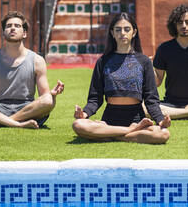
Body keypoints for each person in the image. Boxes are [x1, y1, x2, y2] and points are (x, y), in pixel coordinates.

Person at [72, 13, 171, 144]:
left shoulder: (144, 61)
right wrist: (84, 114)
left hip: (136, 118)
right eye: (118, 30)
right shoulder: (103, 61)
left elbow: (151, 99)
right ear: (112, 33)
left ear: (134, 32)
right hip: (110, 120)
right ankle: (129, 132)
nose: (122, 33)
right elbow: (95, 99)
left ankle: (111, 135)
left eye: (127, 29)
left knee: (163, 134)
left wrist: (160, 120)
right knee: (78, 125)